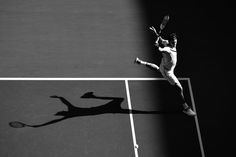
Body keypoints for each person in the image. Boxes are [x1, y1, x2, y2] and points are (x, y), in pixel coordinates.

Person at [135, 26, 196, 116]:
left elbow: (161, 39)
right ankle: (186, 108)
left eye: (175, 41)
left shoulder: (167, 42)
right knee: (179, 88)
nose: (175, 43)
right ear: (170, 41)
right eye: (173, 42)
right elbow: (160, 49)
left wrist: (155, 33)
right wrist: (157, 46)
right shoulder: (167, 49)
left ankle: (140, 62)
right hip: (168, 72)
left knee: (158, 69)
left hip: (164, 65)